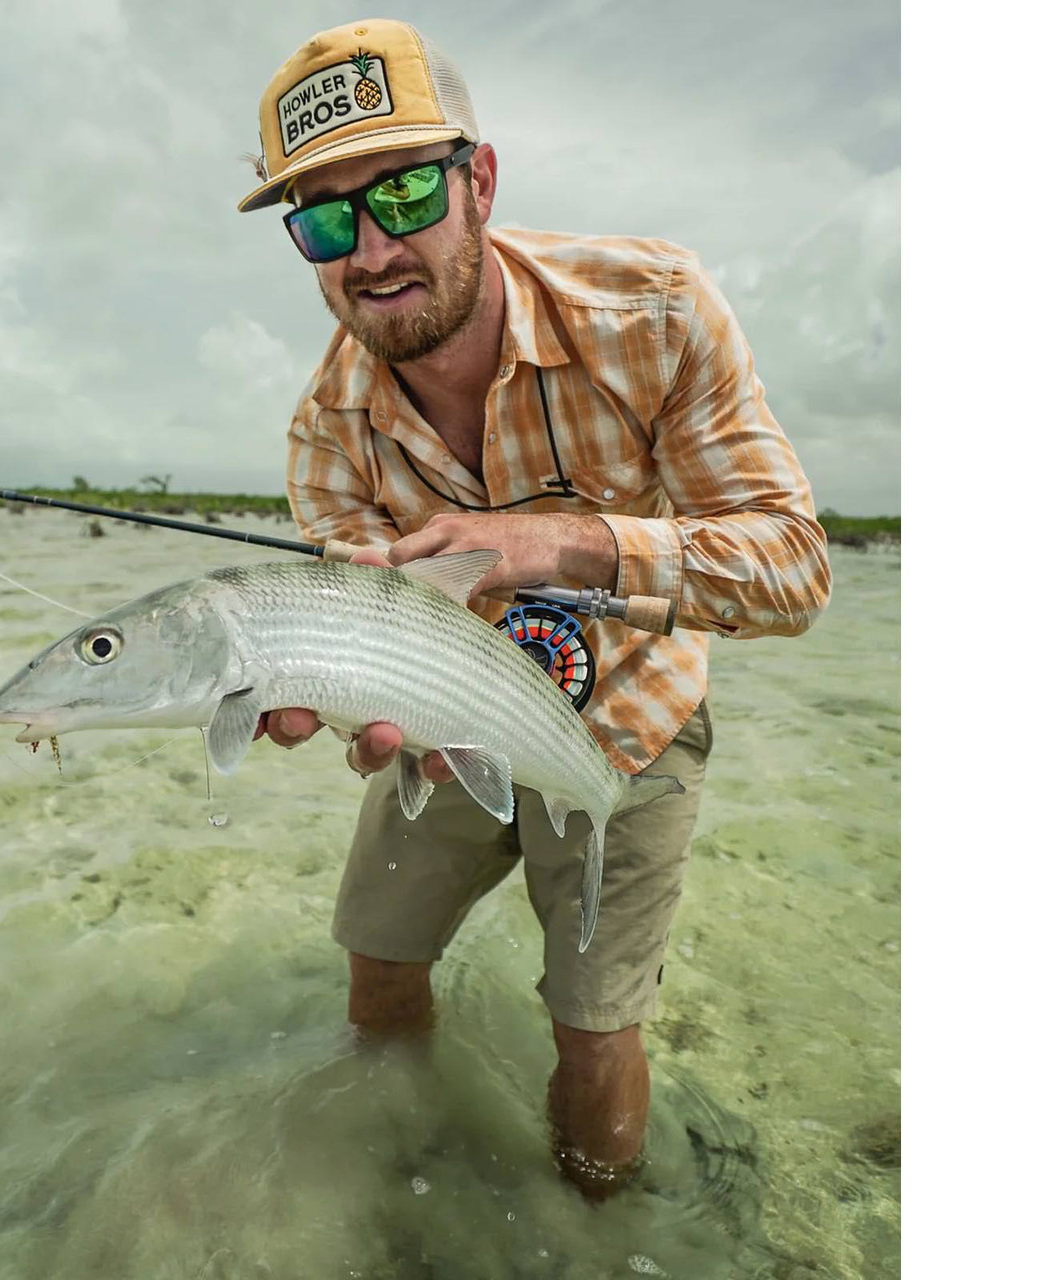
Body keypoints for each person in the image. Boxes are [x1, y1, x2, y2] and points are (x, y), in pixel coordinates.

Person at [237, 18, 831, 1198]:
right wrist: (341, 701)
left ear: (480, 182)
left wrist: (562, 538)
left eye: (403, 192)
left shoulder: (651, 308)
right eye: (322, 218)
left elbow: (792, 567)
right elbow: (366, 649)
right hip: (447, 733)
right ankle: (394, 1187)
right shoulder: (323, 434)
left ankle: (589, 1233)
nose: (370, 249)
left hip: (629, 721)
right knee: (376, 962)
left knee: (593, 1025)